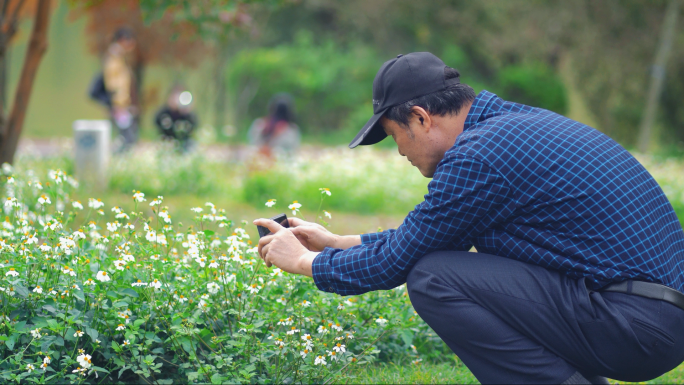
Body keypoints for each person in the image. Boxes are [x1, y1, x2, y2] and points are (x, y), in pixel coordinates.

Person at [254, 52, 684, 384]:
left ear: (420, 119)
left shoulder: (481, 156)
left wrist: (304, 262)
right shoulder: (506, 127)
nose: (400, 152)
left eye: (394, 137)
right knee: (437, 262)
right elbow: (425, 236)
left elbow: (400, 263)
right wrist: (336, 242)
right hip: (651, 316)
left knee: (433, 277)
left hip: (636, 326)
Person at [103, 27, 140, 152]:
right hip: (119, 105)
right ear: (123, 40)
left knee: (126, 136)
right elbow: (113, 83)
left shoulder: (118, 57)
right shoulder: (114, 57)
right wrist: (117, 104)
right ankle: (121, 162)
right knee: (127, 138)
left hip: (122, 104)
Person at [154, 86, 198, 152]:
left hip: (184, 142)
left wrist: (186, 112)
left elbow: (194, 125)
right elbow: (157, 122)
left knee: (191, 145)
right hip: (167, 141)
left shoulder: (186, 114)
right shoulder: (165, 113)